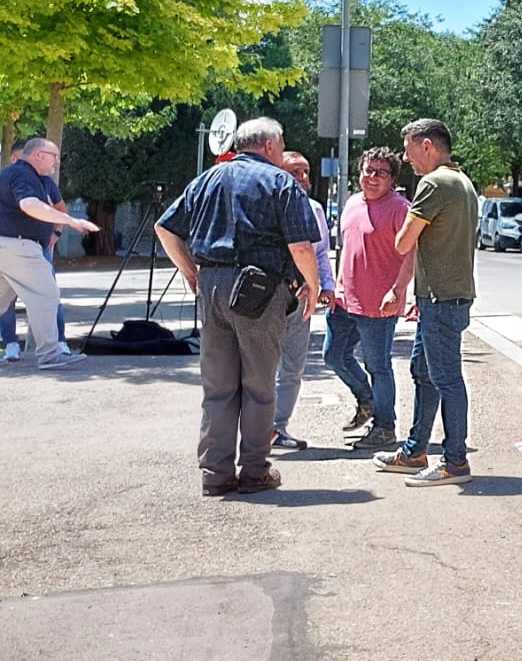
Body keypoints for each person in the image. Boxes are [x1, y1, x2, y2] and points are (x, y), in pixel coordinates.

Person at [154, 118, 321, 496]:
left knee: (218, 385)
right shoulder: (281, 183)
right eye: (281, 145)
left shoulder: (207, 179)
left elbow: (165, 229)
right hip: (260, 289)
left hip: (212, 285)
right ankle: (255, 470)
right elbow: (300, 246)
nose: (281, 152)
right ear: (268, 146)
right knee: (260, 385)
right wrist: (312, 285)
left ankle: (215, 473)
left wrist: (192, 272)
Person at [373, 118, 479, 487]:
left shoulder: (434, 183)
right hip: (443, 296)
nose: (406, 157)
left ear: (428, 146)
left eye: (409, 148)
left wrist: (405, 231)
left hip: (441, 299)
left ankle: (455, 463)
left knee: (446, 378)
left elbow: (404, 242)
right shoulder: (463, 182)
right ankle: (415, 451)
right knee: (423, 371)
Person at [325, 147, 412, 451]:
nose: (372, 177)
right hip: (344, 300)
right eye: (367, 170)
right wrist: (334, 288)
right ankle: (367, 400)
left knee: (378, 366)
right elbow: (347, 251)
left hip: (379, 303)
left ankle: (384, 427)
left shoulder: (400, 208)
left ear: (392, 179)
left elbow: (412, 254)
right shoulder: (350, 203)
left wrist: (399, 290)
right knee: (333, 355)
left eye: (381, 172)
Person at [0, 138, 95, 370]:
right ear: (38, 155)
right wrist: (70, 221)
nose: (57, 161)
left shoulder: (9, 174)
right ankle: (50, 354)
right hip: (19, 248)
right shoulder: (24, 175)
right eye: (53, 155)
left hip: (7, 247)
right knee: (46, 295)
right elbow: (30, 205)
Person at [269, 151, 334, 450]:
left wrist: (325, 286)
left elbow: (320, 253)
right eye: (295, 172)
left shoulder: (314, 209)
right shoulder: (265, 204)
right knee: (261, 368)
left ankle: (278, 427)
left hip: (300, 297)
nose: (303, 178)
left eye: (306, 172)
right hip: (266, 299)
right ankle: (257, 429)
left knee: (293, 367)